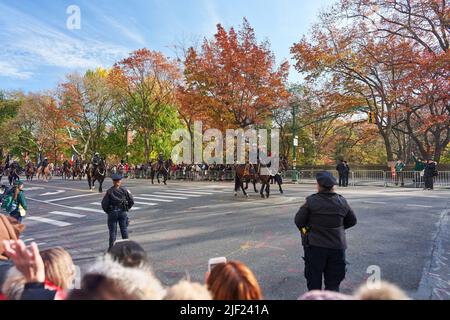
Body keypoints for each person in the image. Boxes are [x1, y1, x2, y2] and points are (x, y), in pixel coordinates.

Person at [294, 171, 357, 292]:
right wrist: (338, 229)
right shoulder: (342, 201)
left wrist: (307, 231)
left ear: (318, 185)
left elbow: (299, 222)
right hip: (337, 247)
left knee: (314, 284)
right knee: (333, 285)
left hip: (315, 247)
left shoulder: (311, 202)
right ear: (333, 186)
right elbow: (352, 221)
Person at [101, 174, 134, 251]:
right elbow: (131, 201)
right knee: (124, 230)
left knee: (113, 232)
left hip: (112, 212)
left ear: (113, 182)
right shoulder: (125, 190)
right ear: (120, 181)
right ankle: (127, 248)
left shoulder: (109, 191)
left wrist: (108, 211)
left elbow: (104, 204)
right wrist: (126, 208)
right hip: (122, 212)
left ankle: (111, 249)